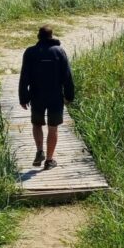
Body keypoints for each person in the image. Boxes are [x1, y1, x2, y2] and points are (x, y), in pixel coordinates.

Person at [18, 25, 75, 170]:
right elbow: (67, 76)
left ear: (38, 36)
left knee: (37, 124)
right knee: (53, 128)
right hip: (55, 95)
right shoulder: (59, 51)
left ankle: (39, 151)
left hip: (36, 95)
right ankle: (49, 160)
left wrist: (23, 97)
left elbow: (24, 76)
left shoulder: (30, 52)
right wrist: (69, 95)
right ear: (52, 36)